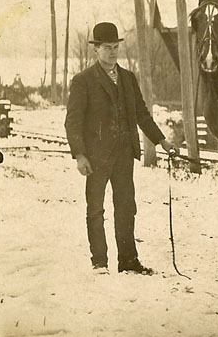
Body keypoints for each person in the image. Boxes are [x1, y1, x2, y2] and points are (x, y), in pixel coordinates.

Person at [65, 22, 174, 275]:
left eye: (115, 47)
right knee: (96, 209)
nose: (112, 52)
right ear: (96, 50)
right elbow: (73, 121)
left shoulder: (128, 78)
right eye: (106, 48)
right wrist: (80, 155)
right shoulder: (83, 81)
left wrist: (161, 141)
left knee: (126, 208)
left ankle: (128, 261)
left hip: (124, 155)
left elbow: (142, 114)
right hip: (96, 158)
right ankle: (100, 263)